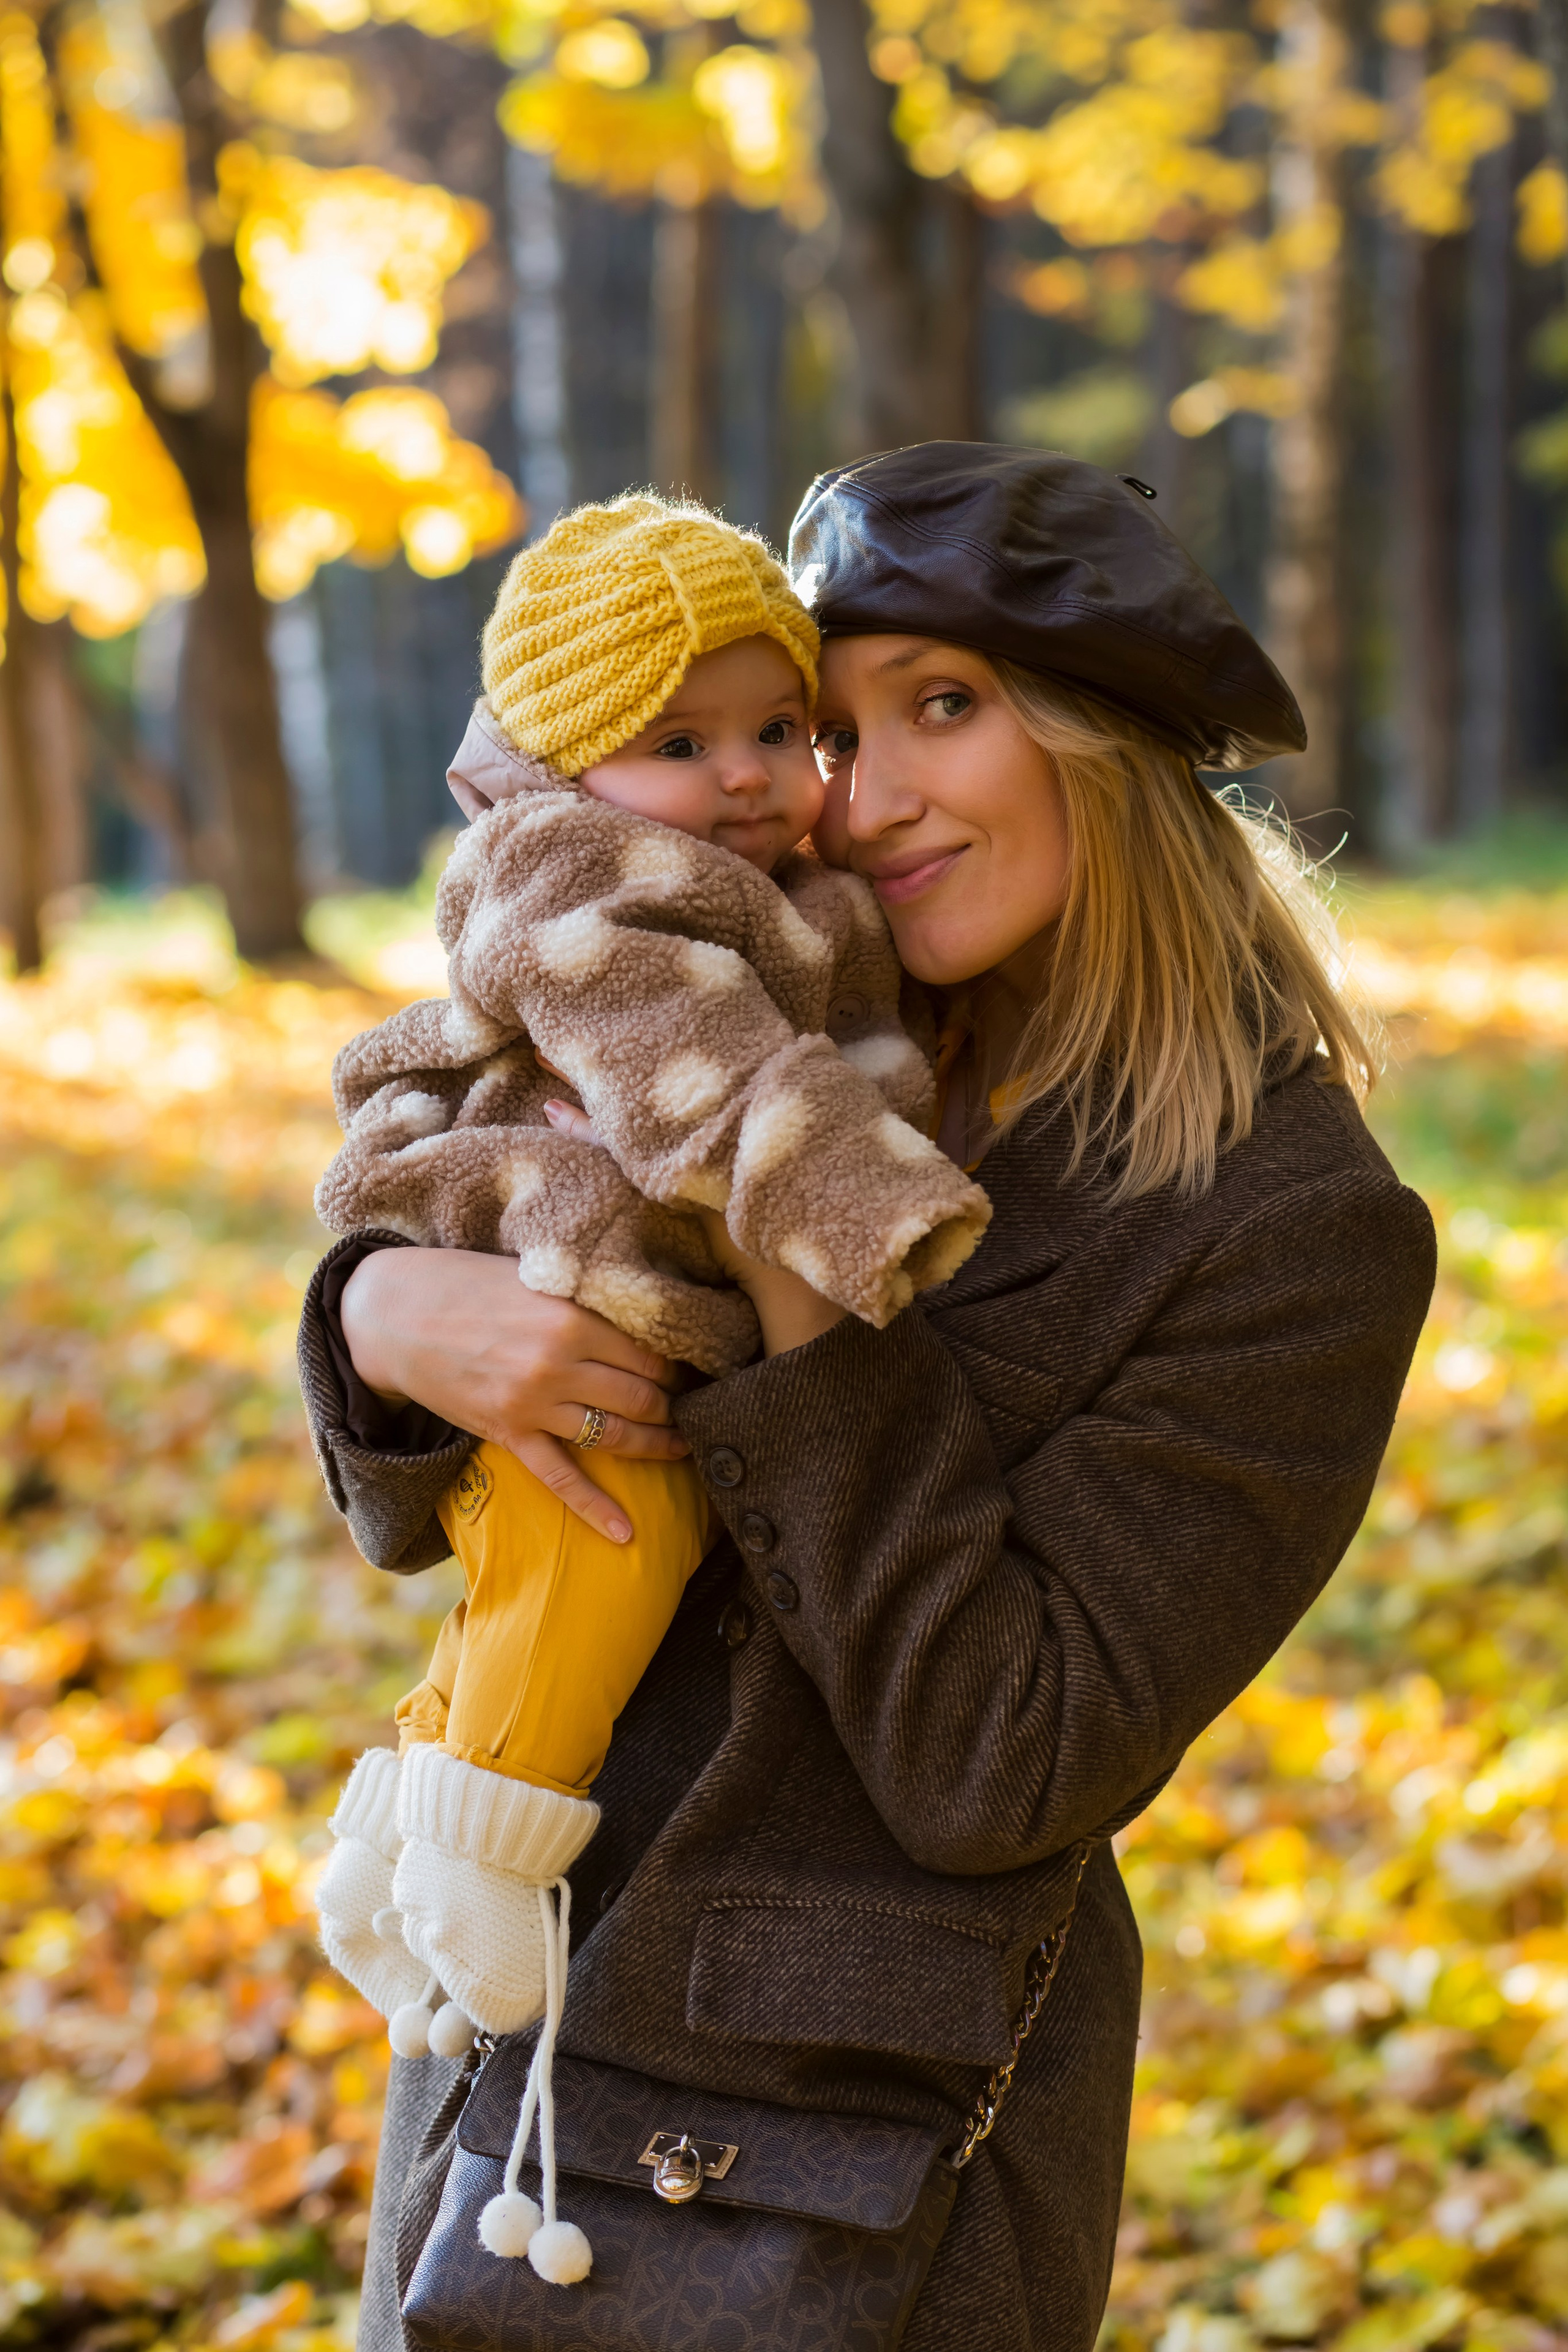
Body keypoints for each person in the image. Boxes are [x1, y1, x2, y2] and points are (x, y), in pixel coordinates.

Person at [298, 443, 1436, 2352]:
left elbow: (1002, 1756)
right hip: (516, 2061)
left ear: (1111, 740)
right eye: (830, 726)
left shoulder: (1293, 1228)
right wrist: (381, 1322)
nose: (860, 792)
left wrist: (802, 1268)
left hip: (843, 2175)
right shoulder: (785, 1001)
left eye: (946, 709)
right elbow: (462, 1480)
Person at [309, 497, 987, 2159]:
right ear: (564, 755)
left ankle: (408, 1811)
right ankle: (476, 1842)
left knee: (562, 1570)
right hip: (586, 1282)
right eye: (682, 740)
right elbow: (713, 1081)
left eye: (778, 730)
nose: (753, 775)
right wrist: (865, 1200)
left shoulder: (769, 883)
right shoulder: (596, 875)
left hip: (811, 2047)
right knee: (605, 1542)